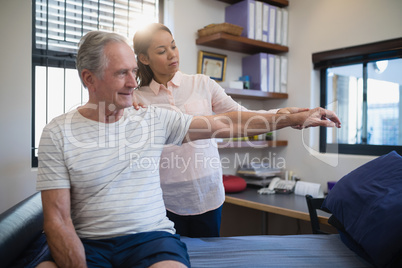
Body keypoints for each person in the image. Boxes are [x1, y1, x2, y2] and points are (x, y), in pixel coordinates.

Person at [36, 30, 340, 268]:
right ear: (88, 78)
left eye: (133, 71)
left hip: (151, 240)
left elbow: (228, 123)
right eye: (121, 73)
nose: (132, 82)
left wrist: (291, 118)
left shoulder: (154, 117)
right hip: (91, 241)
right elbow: (58, 219)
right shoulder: (58, 132)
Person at [132, 23, 307, 237]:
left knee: (209, 258)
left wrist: (286, 116)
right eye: (161, 51)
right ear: (144, 58)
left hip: (208, 195)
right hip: (165, 201)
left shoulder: (202, 84)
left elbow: (242, 118)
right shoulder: (138, 98)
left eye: (173, 46)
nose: (171, 55)